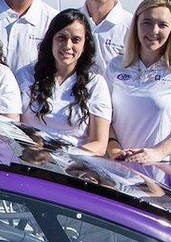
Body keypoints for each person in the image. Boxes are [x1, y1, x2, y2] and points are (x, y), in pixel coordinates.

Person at [107, 0, 171, 164]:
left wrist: (158, 153)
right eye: (147, 22)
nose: (154, 31)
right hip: (117, 166)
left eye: (162, 24)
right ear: (136, 24)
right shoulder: (116, 65)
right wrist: (114, 148)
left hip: (159, 169)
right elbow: (103, 117)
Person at [18, 8, 111, 154]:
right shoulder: (26, 75)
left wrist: (62, 155)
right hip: (27, 159)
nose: (68, 46)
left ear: (85, 44)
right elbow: (11, 125)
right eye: (61, 38)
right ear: (51, 40)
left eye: (76, 40)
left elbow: (99, 144)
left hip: (70, 167)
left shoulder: (95, 84)